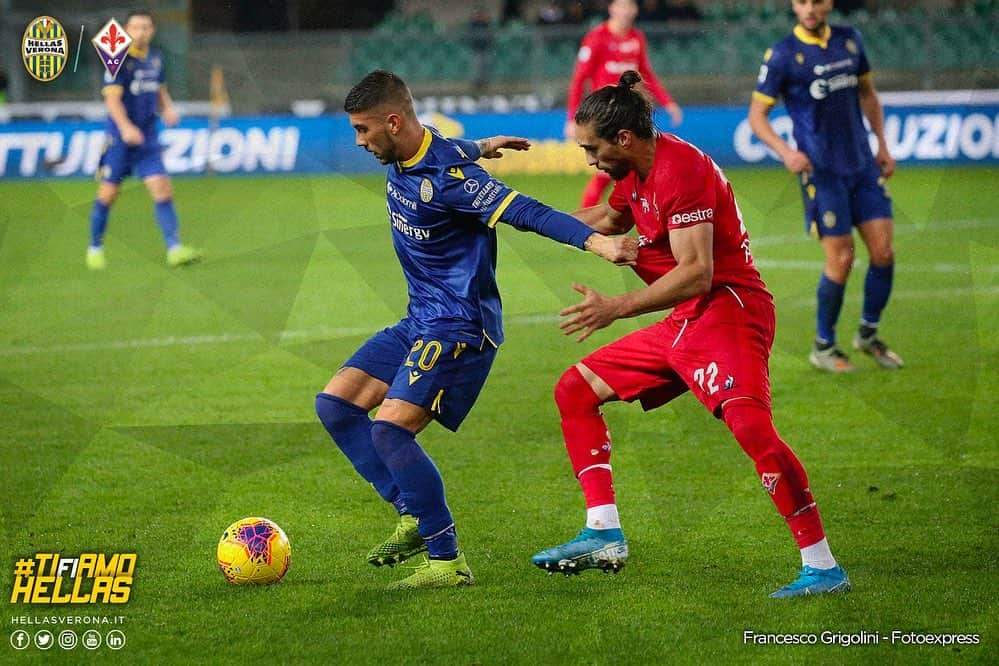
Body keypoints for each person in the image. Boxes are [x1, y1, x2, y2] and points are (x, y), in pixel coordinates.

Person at [531, 71, 850, 598]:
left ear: (624, 139)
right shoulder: (637, 169)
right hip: (686, 319)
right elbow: (609, 221)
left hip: (729, 311)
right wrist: (521, 219)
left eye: (593, 148)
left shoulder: (680, 170)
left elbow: (696, 271)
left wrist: (619, 306)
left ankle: (822, 565)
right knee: (575, 388)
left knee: (751, 428)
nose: (589, 160)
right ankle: (603, 532)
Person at [316, 70, 636, 590]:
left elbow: (527, 212)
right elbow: (444, 145)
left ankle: (447, 560)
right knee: (336, 405)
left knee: (390, 430)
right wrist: (483, 144)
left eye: (362, 130)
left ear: (393, 122)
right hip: (420, 318)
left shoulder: (453, 181)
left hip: (459, 326)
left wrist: (599, 245)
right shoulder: (414, 150)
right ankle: (413, 515)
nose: (358, 141)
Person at [748, 0, 901, 372]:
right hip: (822, 172)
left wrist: (881, 143)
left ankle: (867, 334)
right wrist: (785, 151)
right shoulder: (783, 54)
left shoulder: (850, 41)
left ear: (828, 4)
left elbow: (867, 93)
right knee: (842, 258)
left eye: (816, 1)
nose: (810, 8)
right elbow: (756, 116)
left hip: (862, 165)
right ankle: (824, 346)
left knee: (883, 252)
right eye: (802, 2)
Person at [86, 10, 202, 270]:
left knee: (162, 188)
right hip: (120, 140)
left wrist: (168, 109)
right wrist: (126, 127)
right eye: (137, 27)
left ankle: (175, 249)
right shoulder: (117, 58)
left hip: (148, 138)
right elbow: (112, 99)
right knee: (108, 194)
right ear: (126, 30)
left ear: (153, 30)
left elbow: (159, 89)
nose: (142, 31)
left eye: (147, 27)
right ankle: (95, 247)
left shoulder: (155, 58)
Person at [565, 0, 682, 208]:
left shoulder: (637, 38)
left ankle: (647, 215)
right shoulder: (596, 38)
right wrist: (572, 119)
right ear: (612, 9)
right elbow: (579, 79)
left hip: (630, 115)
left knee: (629, 167)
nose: (626, 11)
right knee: (610, 168)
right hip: (606, 116)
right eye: (622, 6)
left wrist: (668, 102)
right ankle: (585, 221)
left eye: (630, 6)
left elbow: (646, 75)